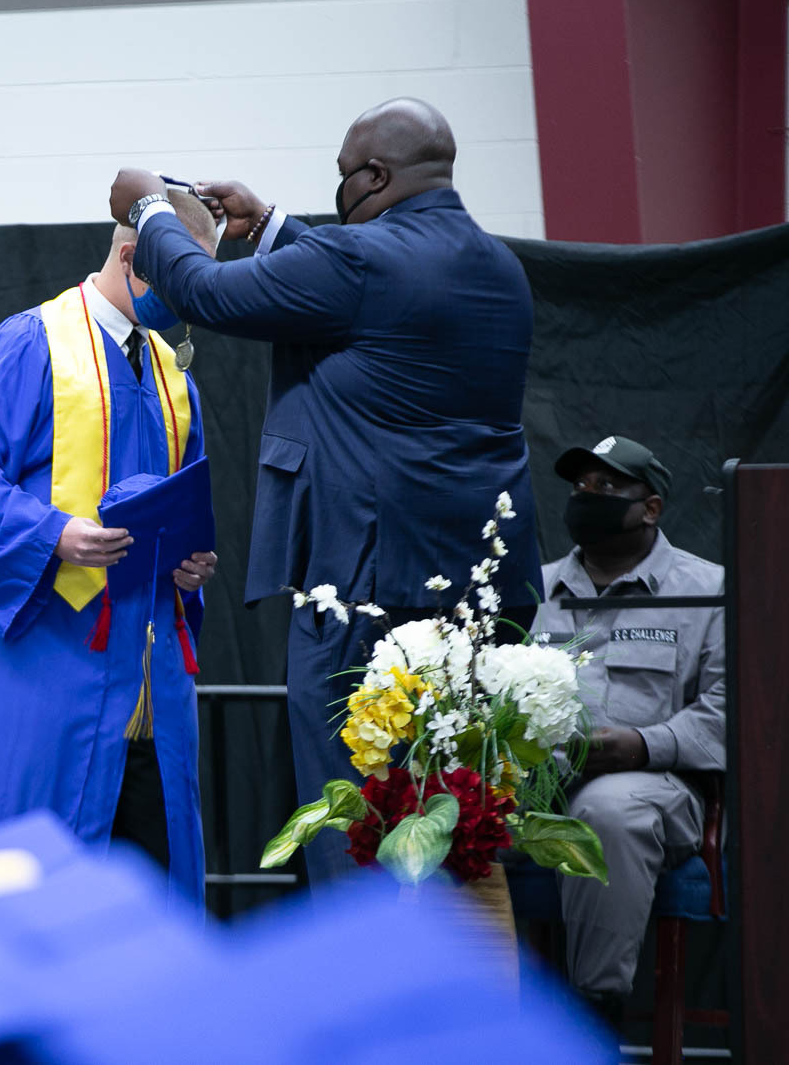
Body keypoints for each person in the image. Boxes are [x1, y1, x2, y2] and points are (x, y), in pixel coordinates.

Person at [106, 97, 543, 884]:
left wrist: (149, 208)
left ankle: (363, 962)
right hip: (478, 589)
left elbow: (206, 292)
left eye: (342, 175)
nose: (339, 191)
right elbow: (365, 287)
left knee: (355, 825)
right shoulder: (499, 267)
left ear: (374, 176)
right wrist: (272, 225)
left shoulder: (360, 261)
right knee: (453, 820)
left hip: (365, 588)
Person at [0, 189, 220, 903]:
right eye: (184, 277)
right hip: (50, 679)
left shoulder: (174, 376)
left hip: (149, 689)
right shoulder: (32, 343)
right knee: (38, 895)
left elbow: (183, 505)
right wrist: (52, 532)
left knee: (150, 900)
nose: (195, 300)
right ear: (134, 256)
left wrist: (189, 566)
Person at [531, 435, 724, 1022]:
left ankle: (594, 1017)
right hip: (537, 783)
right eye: (580, 486)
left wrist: (644, 745)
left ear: (651, 508)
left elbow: (731, 706)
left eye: (607, 486)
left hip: (657, 785)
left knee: (608, 812)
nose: (587, 496)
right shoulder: (530, 588)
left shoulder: (710, 591)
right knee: (439, 809)